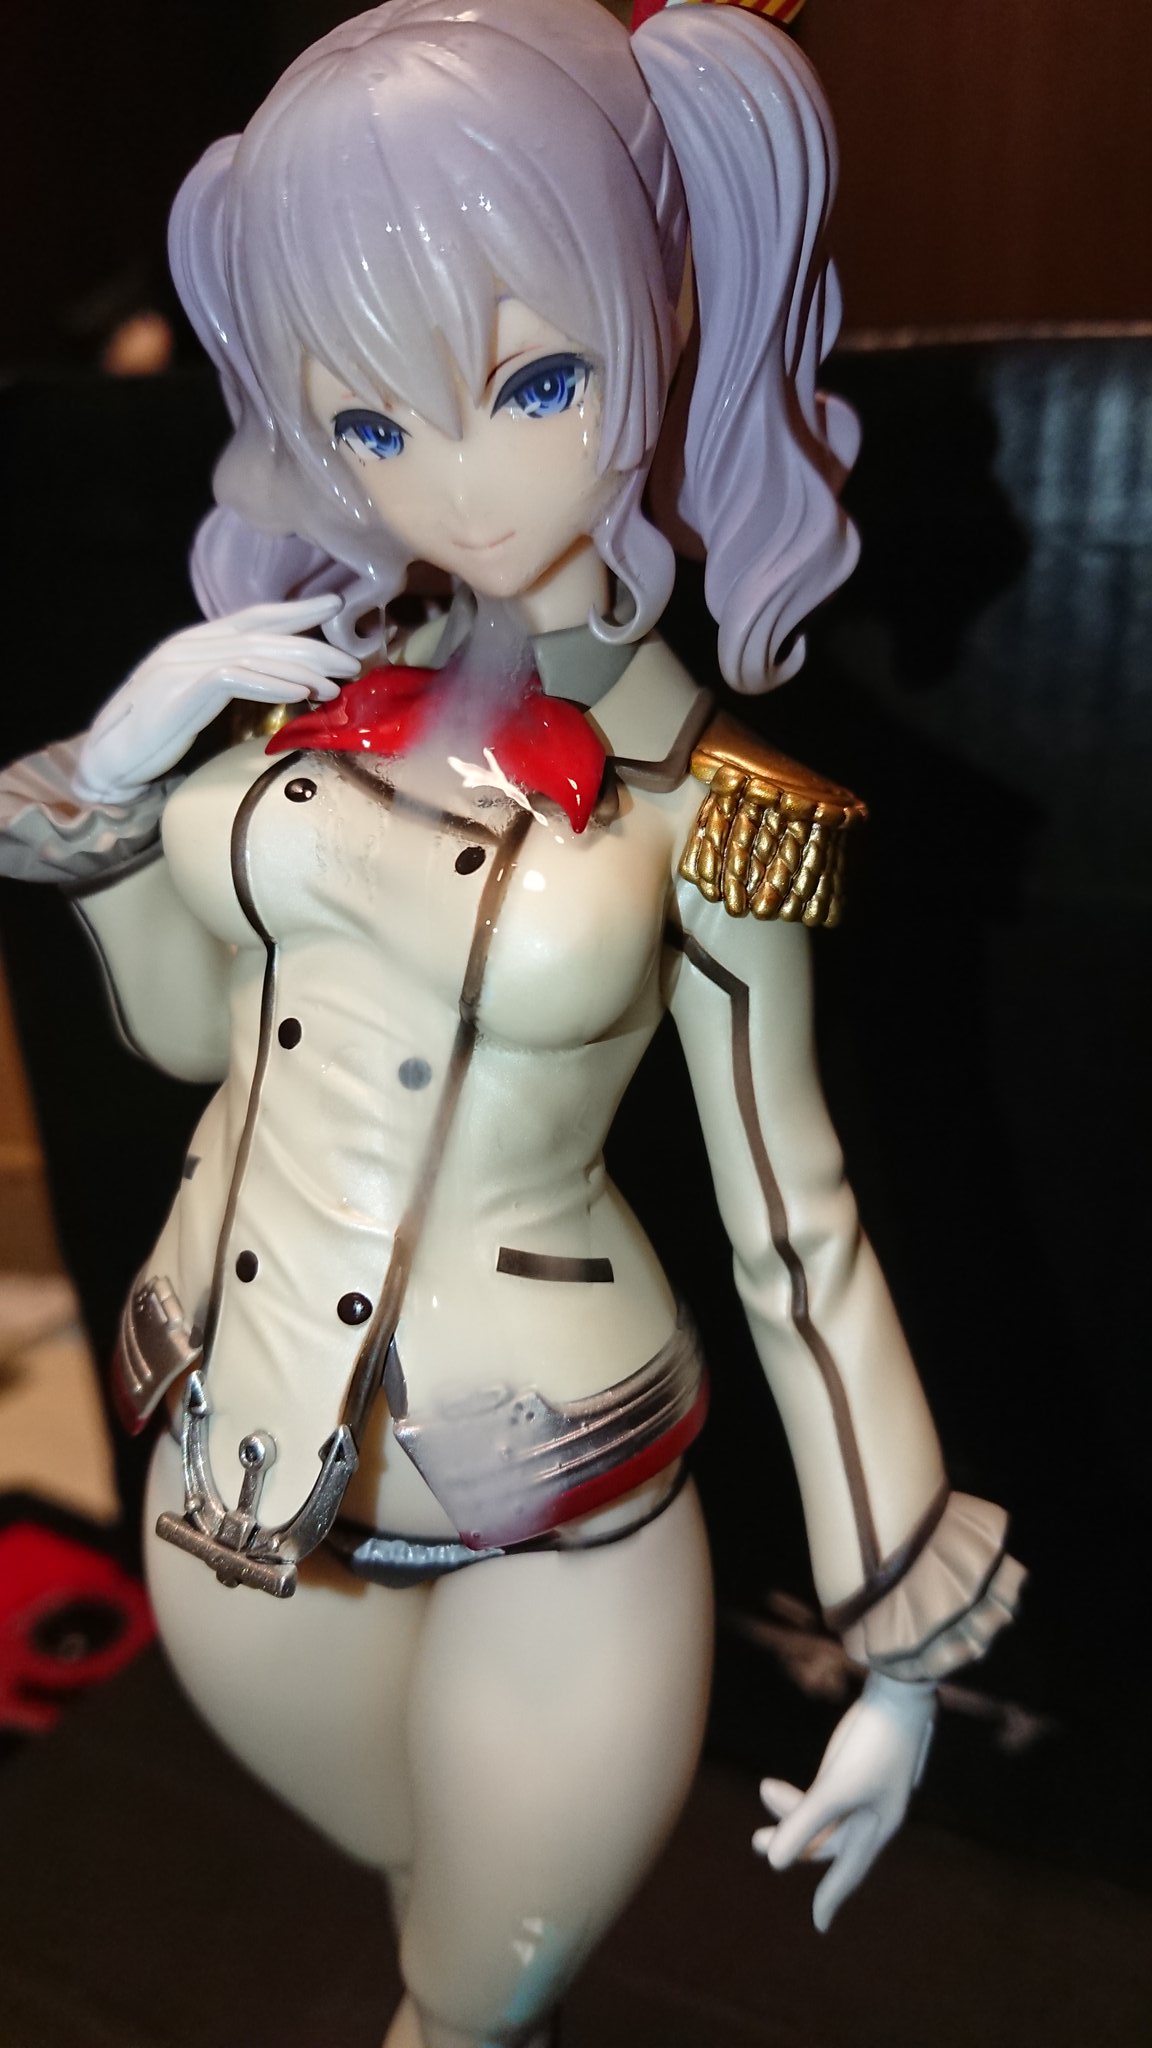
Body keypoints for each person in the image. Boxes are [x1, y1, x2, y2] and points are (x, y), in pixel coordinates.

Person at [0, 4, 1023, 2043]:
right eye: (370, 419)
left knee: (461, 2005)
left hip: (556, 1519)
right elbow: (201, 1042)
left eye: (538, 381)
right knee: (439, 1933)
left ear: (663, 318)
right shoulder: (297, 698)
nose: (458, 483)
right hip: (227, 1481)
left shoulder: (717, 813)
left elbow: (797, 1231)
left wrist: (900, 1644)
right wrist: (113, 783)